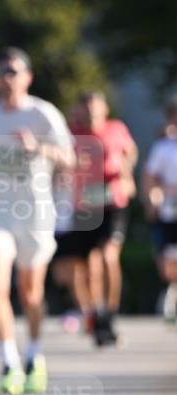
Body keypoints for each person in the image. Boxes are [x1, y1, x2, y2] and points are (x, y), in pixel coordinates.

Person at [0, 48, 74, 395]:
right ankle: (9, 361)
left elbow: (69, 159)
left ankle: (34, 353)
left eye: (14, 71)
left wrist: (39, 149)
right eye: (2, 71)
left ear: (28, 77)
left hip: (34, 213)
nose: (7, 77)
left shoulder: (43, 114)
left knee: (31, 295)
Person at [67, 91, 137, 344]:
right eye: (87, 111)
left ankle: (110, 313)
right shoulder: (71, 133)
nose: (91, 116)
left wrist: (126, 172)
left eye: (96, 111)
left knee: (108, 256)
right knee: (87, 267)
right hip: (83, 206)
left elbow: (131, 152)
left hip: (113, 200)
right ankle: (94, 312)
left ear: (105, 110)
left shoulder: (116, 128)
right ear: (79, 111)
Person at [143, 97, 177, 323]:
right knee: (168, 260)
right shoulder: (163, 147)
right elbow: (149, 177)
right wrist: (152, 200)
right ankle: (171, 291)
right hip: (170, 209)